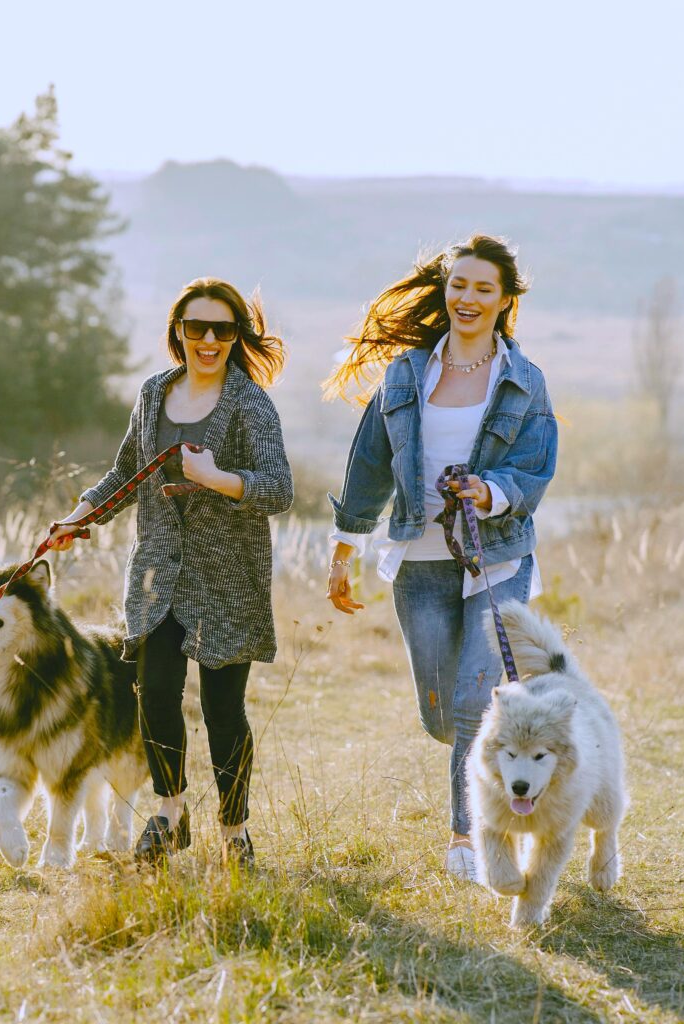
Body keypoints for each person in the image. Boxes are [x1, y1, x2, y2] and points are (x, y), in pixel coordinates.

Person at [322, 235, 557, 881]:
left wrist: (490, 491)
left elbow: (534, 469)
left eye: (484, 288)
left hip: (498, 559)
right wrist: (343, 550)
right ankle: (494, 765)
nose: (469, 298)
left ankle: (467, 840)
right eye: (460, 285)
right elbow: (368, 464)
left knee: (474, 700)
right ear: (445, 290)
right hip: (418, 557)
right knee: (438, 714)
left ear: (505, 299)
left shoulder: (523, 381)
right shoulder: (405, 375)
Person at [48, 278, 293, 866]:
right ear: (177, 333)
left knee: (222, 712)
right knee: (153, 694)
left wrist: (215, 479)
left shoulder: (251, 403)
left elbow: (279, 488)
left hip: (228, 580)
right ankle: (170, 812)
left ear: (237, 337)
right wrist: (79, 517)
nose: (208, 340)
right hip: (158, 574)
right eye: (196, 328)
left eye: (223, 330)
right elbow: (128, 472)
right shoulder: (155, 393)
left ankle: (235, 832)